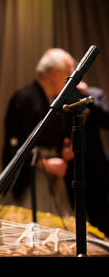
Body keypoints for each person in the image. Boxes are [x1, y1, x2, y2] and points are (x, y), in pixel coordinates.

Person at [2, 48, 76, 217]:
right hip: (32, 175)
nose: (71, 79)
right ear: (53, 73)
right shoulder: (23, 98)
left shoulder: (58, 103)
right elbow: (13, 146)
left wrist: (65, 150)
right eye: (68, 73)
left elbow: (61, 138)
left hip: (55, 176)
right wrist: (46, 164)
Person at [63, 82, 109, 237]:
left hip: (95, 164)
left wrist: (88, 99)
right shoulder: (63, 94)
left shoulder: (95, 93)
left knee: (101, 213)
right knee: (71, 212)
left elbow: (106, 119)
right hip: (70, 163)